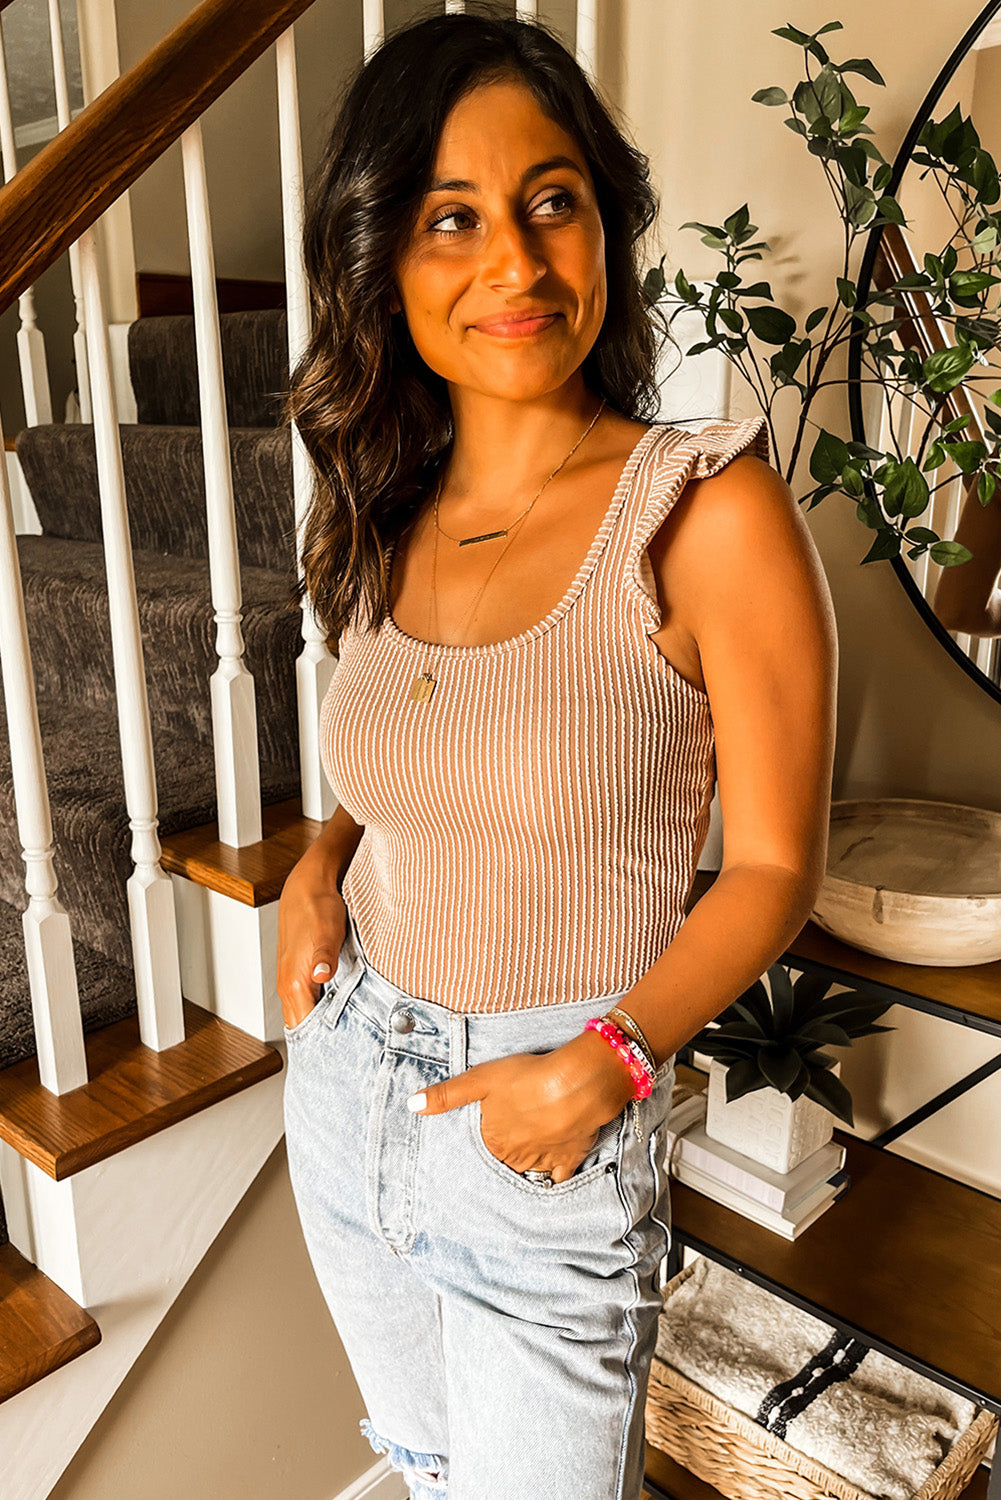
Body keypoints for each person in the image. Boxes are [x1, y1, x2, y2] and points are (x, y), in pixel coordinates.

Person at [276, 8, 837, 1499]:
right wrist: (318, 866)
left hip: (547, 1116)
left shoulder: (703, 513)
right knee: (420, 1467)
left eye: (551, 203)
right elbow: (407, 764)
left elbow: (777, 868)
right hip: (349, 1087)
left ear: (605, 222)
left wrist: (606, 1064)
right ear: (383, 262)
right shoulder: (384, 501)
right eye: (452, 219)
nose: (514, 265)